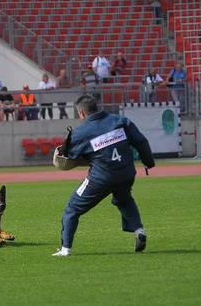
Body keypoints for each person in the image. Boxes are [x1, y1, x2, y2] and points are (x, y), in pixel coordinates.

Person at [52, 94, 155, 257]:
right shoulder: (120, 120)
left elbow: (68, 157)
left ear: (81, 113)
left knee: (72, 208)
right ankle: (138, 230)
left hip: (101, 178)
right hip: (126, 172)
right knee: (124, 199)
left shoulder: (80, 133)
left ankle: (65, 249)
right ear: (96, 107)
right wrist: (149, 162)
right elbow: (141, 141)